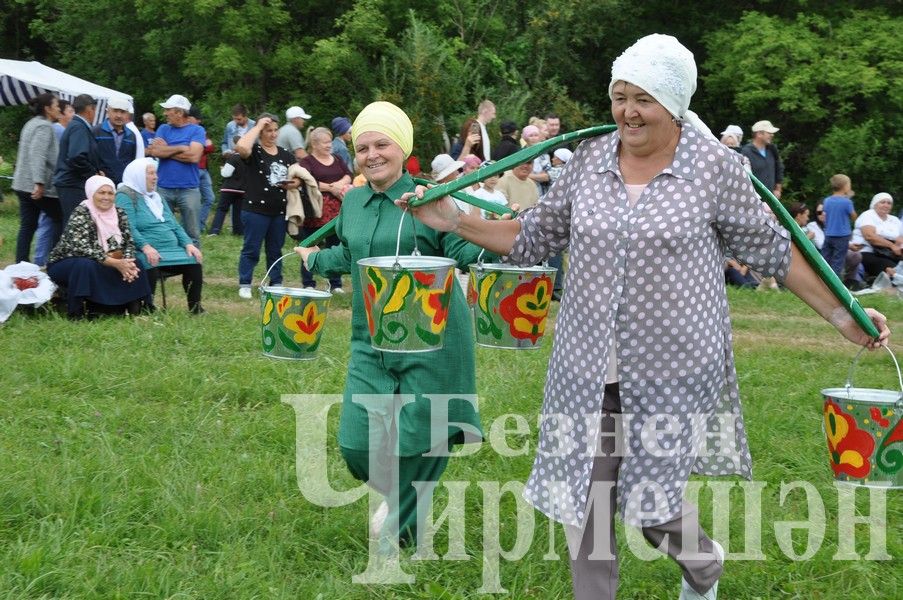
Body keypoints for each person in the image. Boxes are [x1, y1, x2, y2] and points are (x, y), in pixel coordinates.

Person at [399, 34, 889, 600]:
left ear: (675, 103)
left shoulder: (714, 168)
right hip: (588, 369)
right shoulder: (587, 161)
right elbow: (531, 237)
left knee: (650, 507)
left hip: (674, 370)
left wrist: (843, 316)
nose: (628, 111)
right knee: (588, 508)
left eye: (644, 98)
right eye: (620, 95)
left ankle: (703, 565)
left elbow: (777, 252)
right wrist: (453, 219)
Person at [294, 101, 487, 548]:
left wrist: (498, 242)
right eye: (362, 147)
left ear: (403, 149)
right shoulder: (355, 201)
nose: (371, 154)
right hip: (372, 338)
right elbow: (350, 252)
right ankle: (401, 498)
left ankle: (399, 543)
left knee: (424, 436)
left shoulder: (429, 200)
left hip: (433, 337)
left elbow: (463, 250)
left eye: (382, 144)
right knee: (356, 442)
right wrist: (315, 259)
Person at [47, 175, 151, 318]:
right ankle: (78, 312)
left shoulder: (119, 212)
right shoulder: (82, 212)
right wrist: (116, 263)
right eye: (101, 193)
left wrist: (126, 262)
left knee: (136, 262)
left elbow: (128, 242)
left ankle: (134, 308)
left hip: (107, 259)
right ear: (91, 193)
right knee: (86, 265)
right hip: (67, 262)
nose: (106, 197)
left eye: (110, 193)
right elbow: (81, 248)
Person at [116, 158, 205, 314]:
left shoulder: (156, 197)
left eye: (155, 173)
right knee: (148, 260)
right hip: (144, 249)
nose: (155, 177)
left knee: (194, 260)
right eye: (150, 173)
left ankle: (195, 307)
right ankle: (146, 306)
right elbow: (128, 227)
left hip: (170, 248)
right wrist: (146, 246)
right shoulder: (126, 195)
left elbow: (174, 224)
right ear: (138, 175)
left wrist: (188, 244)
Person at [234, 113, 300, 299]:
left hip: (278, 211)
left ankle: (276, 281)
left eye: (275, 130)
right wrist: (257, 126)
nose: (273, 134)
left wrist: (293, 184)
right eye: (268, 130)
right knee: (251, 248)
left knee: (275, 249)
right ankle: (245, 283)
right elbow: (241, 147)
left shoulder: (285, 155)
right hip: (255, 210)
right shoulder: (254, 152)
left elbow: (297, 178)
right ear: (261, 133)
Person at [146, 94, 206, 245]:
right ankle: (166, 266)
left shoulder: (197, 130)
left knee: (192, 233)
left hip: (189, 189)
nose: (165, 113)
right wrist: (180, 148)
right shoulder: (163, 128)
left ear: (179, 112)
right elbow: (154, 152)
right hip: (164, 187)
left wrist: (166, 150)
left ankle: (193, 266)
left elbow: (193, 157)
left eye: (168, 110)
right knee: (162, 230)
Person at [298, 127, 352, 292]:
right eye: (325, 142)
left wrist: (340, 184)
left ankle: (335, 284)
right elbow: (307, 181)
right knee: (310, 244)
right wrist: (330, 187)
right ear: (314, 144)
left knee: (335, 246)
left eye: (330, 142)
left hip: (336, 212)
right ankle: (308, 283)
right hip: (315, 211)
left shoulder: (336, 158)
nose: (329, 145)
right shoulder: (307, 162)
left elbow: (349, 174)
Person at [12, 92, 63, 265]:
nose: (59, 109)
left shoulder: (31, 123)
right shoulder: (45, 127)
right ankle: (55, 260)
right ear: (48, 109)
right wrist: (38, 182)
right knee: (60, 217)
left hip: (21, 183)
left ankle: (21, 264)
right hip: (35, 186)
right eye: (56, 106)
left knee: (28, 225)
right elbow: (37, 154)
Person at [53, 94, 103, 225]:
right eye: (94, 109)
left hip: (71, 183)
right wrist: (93, 174)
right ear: (90, 109)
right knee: (74, 225)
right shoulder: (79, 127)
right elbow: (76, 157)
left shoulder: (78, 125)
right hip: (72, 184)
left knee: (73, 224)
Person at [853, 192, 902, 280]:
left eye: (889, 203)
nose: (886, 205)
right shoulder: (868, 215)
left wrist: (899, 242)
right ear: (875, 204)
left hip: (889, 254)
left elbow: (901, 236)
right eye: (882, 202)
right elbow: (869, 236)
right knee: (894, 270)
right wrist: (892, 245)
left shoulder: (894, 220)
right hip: (867, 252)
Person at [93, 97, 139, 184]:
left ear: (127, 115)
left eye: (122, 112)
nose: (119, 115)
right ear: (108, 112)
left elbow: (132, 162)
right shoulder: (96, 131)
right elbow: (90, 158)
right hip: (100, 183)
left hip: (123, 183)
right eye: (115, 111)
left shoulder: (131, 136)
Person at [186, 106, 216, 233]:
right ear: (188, 118)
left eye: (199, 119)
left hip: (204, 169)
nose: (198, 121)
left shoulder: (200, 130)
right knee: (193, 200)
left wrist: (202, 147)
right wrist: (203, 146)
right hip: (194, 169)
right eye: (195, 118)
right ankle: (189, 226)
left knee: (210, 198)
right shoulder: (187, 131)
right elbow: (197, 149)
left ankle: (200, 224)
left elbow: (211, 147)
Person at [821, 173, 857, 278]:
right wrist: (848, 198)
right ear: (845, 186)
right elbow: (853, 216)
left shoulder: (826, 200)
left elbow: (826, 215)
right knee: (838, 261)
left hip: (829, 234)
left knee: (825, 259)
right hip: (842, 235)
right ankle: (834, 284)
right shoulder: (847, 202)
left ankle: (821, 279)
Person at [209, 136, 245, 236]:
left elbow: (226, 173)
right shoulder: (248, 159)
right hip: (242, 189)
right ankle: (238, 231)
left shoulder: (233, 157)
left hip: (229, 189)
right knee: (238, 212)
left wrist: (222, 169)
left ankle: (215, 230)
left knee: (222, 209)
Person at [740, 120, 783, 198]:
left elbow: (779, 168)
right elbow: (744, 177)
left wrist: (778, 189)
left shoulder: (772, 149)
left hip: (771, 198)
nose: (772, 135)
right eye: (769, 133)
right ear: (759, 134)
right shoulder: (746, 152)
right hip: (753, 199)